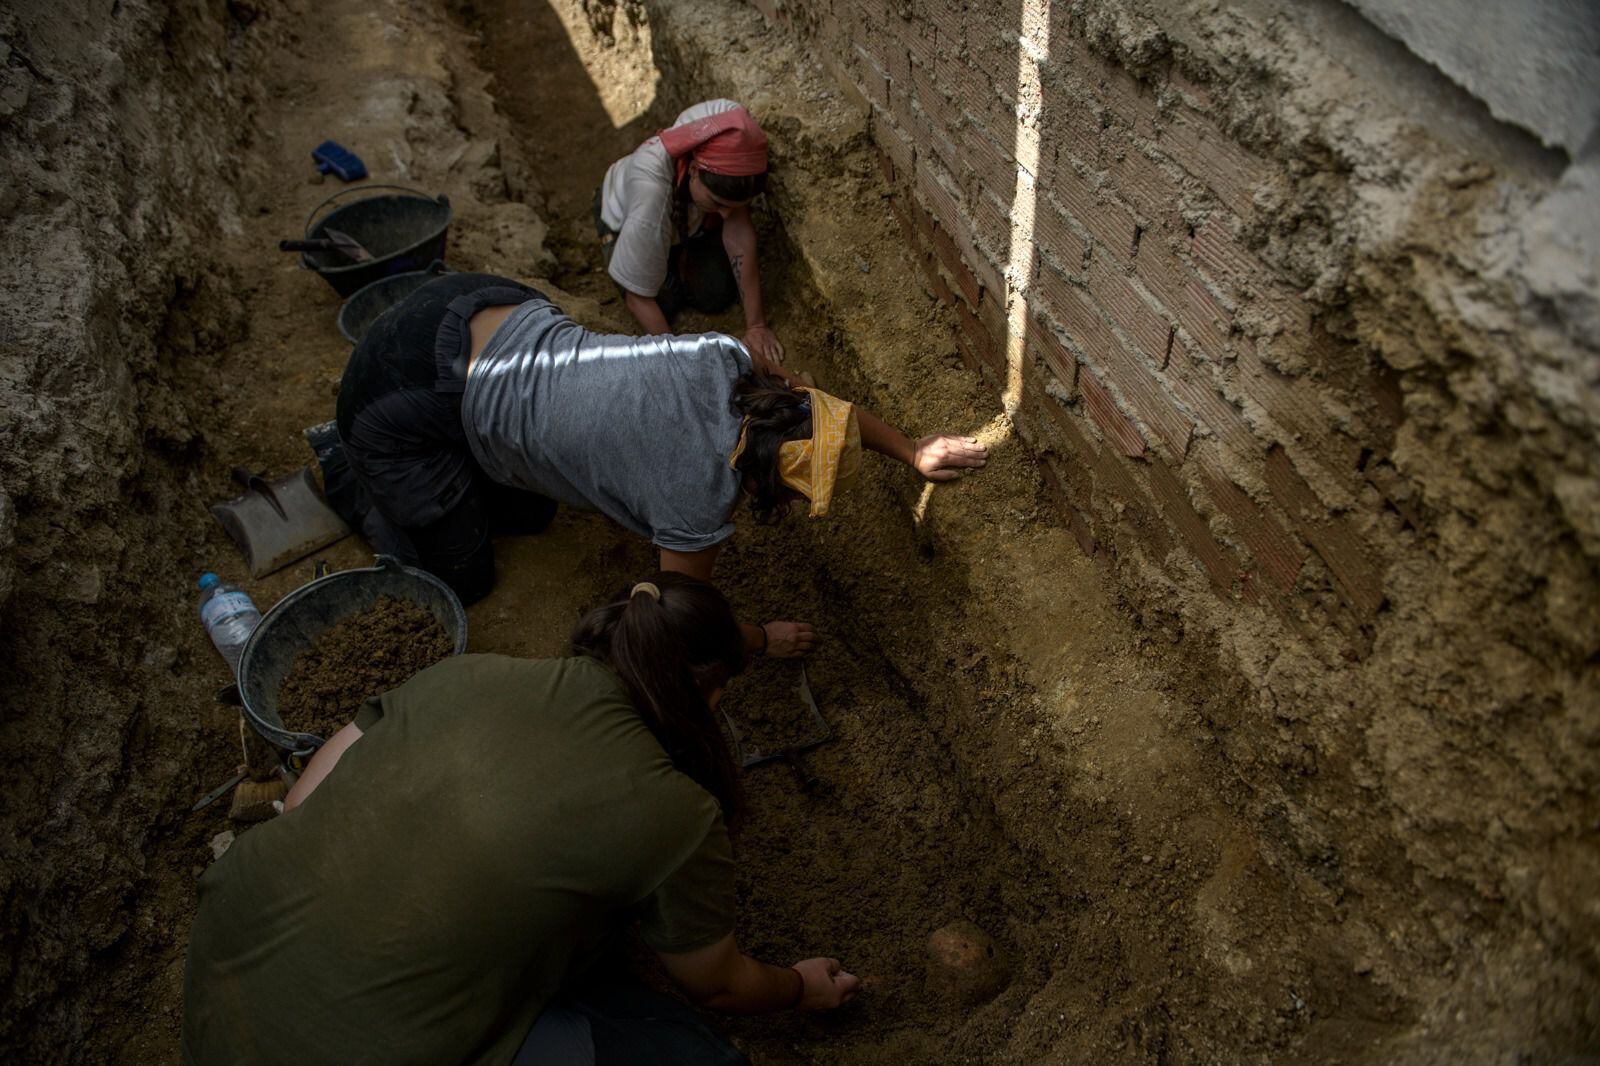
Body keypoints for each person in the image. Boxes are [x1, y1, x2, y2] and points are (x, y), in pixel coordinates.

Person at [182, 573, 861, 1065]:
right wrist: (801, 988)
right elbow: (715, 982)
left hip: (227, 971)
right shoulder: (674, 811)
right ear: (707, 692)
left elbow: (303, 804)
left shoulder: (465, 675)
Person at [333, 271, 987, 656]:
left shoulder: (727, 359)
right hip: (402, 389)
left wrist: (910, 449)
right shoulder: (696, 494)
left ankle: (444, 469)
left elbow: (818, 408)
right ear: (768, 489)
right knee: (464, 573)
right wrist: (760, 639)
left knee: (528, 512)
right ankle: (344, 473)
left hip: (485, 305)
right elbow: (681, 609)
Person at [595, 100, 785, 366]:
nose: (727, 215)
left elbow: (738, 228)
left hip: (684, 221)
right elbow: (637, 297)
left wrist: (756, 326)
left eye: (735, 207)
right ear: (694, 171)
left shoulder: (728, 132)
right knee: (665, 301)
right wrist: (680, 361)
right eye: (718, 203)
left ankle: (677, 254)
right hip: (624, 214)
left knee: (714, 292)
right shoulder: (652, 195)